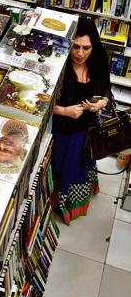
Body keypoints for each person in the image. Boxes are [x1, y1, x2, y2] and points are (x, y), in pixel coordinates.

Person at [52, 16, 111, 224]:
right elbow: (40, 102)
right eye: (75, 47)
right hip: (63, 133)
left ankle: (77, 198)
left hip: (87, 131)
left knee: (80, 167)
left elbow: (106, 91)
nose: (79, 54)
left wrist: (100, 104)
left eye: (86, 48)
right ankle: (62, 202)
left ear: (93, 46)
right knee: (64, 170)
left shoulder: (99, 62)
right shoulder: (58, 64)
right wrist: (63, 111)